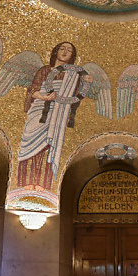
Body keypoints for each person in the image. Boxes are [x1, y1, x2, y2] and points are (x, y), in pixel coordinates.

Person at [16, 42, 89, 191]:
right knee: (29, 143)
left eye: (69, 50)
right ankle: (26, 181)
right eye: (62, 49)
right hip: (39, 110)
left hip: (58, 113)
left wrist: (86, 81)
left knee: (49, 146)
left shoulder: (73, 75)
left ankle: (43, 183)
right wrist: (44, 97)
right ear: (56, 51)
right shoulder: (45, 70)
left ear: (72, 56)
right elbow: (33, 89)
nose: (65, 52)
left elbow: (76, 96)